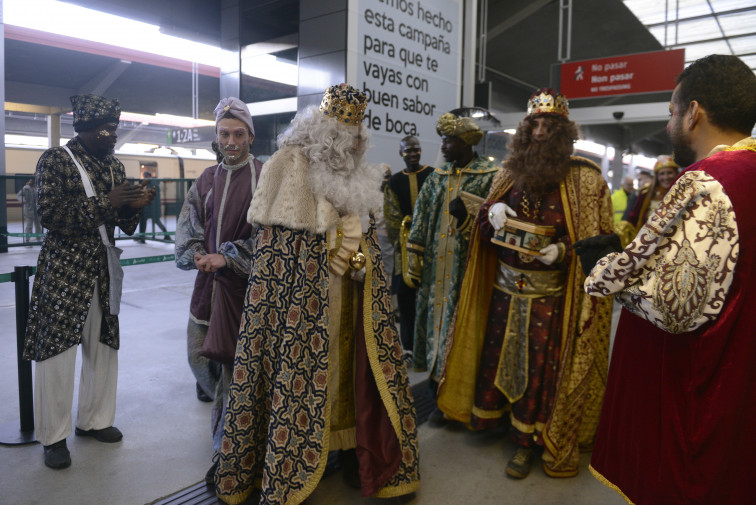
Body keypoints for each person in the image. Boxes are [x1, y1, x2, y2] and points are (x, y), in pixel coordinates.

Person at [214, 84, 420, 505]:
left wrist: (360, 259)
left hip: (352, 300)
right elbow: (278, 251)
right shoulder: (288, 165)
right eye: (346, 131)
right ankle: (294, 461)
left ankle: (348, 449)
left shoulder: (360, 174)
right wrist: (331, 244)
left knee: (353, 373)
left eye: (358, 131)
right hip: (301, 308)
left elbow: (366, 242)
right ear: (323, 131)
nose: (355, 140)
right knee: (303, 376)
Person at [576, 54, 756, 505]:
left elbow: (677, 306)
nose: (670, 120)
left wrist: (610, 271)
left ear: (693, 112)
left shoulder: (709, 182)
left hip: (697, 390)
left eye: (672, 110)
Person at [437, 88, 614, 479]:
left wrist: (563, 253)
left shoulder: (584, 180)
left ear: (563, 132)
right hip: (503, 291)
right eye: (534, 123)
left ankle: (526, 444)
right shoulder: (509, 173)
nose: (539, 131)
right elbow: (482, 229)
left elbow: (597, 241)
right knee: (498, 360)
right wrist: (491, 211)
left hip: (549, 298)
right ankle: (494, 420)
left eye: (549, 124)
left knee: (539, 372)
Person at [22, 94, 154, 469]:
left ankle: (95, 420)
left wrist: (134, 208)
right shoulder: (56, 161)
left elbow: (120, 224)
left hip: (103, 269)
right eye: (105, 130)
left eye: (115, 128)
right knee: (57, 356)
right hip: (64, 272)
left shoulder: (113, 165)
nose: (112, 136)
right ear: (84, 129)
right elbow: (50, 215)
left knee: (103, 348)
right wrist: (108, 202)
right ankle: (54, 437)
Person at [174, 97, 263, 484]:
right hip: (206, 291)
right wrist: (197, 255)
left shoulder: (265, 178)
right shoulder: (206, 180)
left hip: (248, 294)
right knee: (199, 358)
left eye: (238, 133)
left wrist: (228, 258)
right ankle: (231, 431)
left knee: (234, 372)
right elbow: (188, 226)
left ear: (250, 136)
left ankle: (227, 455)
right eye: (224, 133)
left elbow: (271, 239)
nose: (231, 141)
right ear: (216, 136)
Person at [405, 112, 498, 410]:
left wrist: (468, 218)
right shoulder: (438, 176)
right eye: (443, 140)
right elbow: (420, 218)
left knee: (458, 330)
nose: (443, 146)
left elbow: (495, 222)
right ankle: (436, 392)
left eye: (449, 141)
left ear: (466, 143)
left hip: (467, 272)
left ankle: (459, 397)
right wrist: (414, 260)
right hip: (435, 273)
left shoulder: (489, 177)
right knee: (434, 327)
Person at [383, 135, 434, 363]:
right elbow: (391, 215)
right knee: (404, 297)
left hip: (430, 246)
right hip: (404, 250)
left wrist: (425, 230)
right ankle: (409, 348)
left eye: (416, 149)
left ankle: (428, 343)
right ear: (401, 153)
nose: (413, 154)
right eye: (408, 150)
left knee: (427, 295)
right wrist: (405, 234)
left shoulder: (432, 175)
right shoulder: (394, 182)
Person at [615, 155, 679, 244]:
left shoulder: (683, 192)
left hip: (674, 240)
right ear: (657, 176)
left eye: (669, 172)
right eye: (662, 174)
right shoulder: (647, 192)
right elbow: (634, 216)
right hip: (647, 241)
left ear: (676, 173)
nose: (666, 177)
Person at [137, 171, 170, 242]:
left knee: (146, 221)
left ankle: (142, 238)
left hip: (151, 207)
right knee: (150, 221)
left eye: (145, 177)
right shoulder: (154, 182)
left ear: (148, 176)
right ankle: (166, 235)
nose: (145, 179)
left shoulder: (152, 183)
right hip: (151, 207)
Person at [16, 178, 42, 244]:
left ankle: (38, 238)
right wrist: (23, 200)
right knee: (29, 225)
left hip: (37, 209)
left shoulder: (37, 188)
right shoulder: (26, 188)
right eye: (32, 181)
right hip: (28, 209)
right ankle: (27, 239)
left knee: (38, 224)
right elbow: (18, 195)